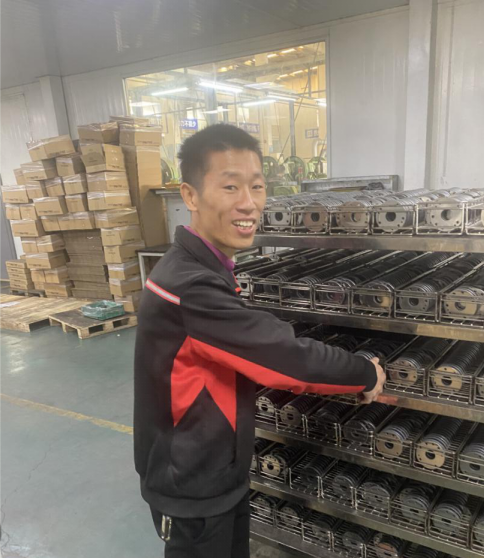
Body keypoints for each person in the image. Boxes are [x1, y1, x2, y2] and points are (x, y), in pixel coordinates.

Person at [134, 123, 385, 558]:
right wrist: (364, 373)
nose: (248, 203)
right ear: (190, 196)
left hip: (213, 468)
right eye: (230, 186)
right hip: (193, 484)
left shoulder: (204, 269)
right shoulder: (189, 285)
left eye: (257, 186)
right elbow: (285, 359)